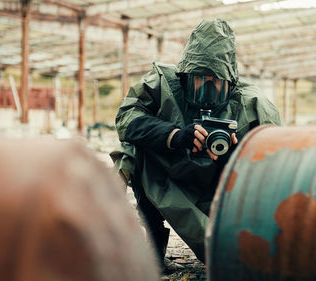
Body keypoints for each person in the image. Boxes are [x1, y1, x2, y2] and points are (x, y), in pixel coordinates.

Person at [110, 18, 282, 269]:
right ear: (185, 75)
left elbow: (276, 165)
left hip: (217, 191)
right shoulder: (162, 84)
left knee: (232, 259)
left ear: (231, 82)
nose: (207, 88)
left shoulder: (253, 105)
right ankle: (140, 241)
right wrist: (175, 135)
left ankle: (240, 244)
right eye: (200, 79)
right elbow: (126, 119)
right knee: (131, 147)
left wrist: (237, 154)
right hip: (166, 176)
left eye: (216, 82)